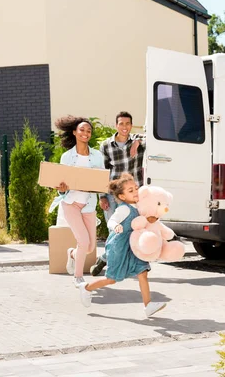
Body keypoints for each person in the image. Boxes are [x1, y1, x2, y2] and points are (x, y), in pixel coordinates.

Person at [79, 173, 166, 317]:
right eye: (130, 191)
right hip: (118, 246)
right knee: (112, 279)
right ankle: (86, 288)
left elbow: (142, 220)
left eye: (136, 188)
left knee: (142, 272)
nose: (135, 192)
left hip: (132, 246)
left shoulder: (139, 207)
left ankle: (148, 305)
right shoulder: (124, 209)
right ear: (122, 197)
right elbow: (111, 221)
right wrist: (116, 227)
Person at [48, 116, 105, 288]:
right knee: (83, 242)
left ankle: (72, 254)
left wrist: (100, 191)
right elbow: (61, 186)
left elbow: (101, 180)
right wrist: (62, 189)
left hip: (88, 204)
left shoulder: (97, 156)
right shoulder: (66, 157)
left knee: (89, 248)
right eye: (82, 130)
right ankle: (78, 277)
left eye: (88, 131)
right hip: (71, 203)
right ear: (74, 132)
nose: (85, 133)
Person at [91, 111, 145, 276]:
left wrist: (137, 142)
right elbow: (103, 171)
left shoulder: (138, 140)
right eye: (121, 124)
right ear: (116, 125)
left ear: (131, 125)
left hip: (132, 196)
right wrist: (101, 196)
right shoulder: (106, 145)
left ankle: (105, 260)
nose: (124, 127)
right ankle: (110, 261)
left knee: (132, 231)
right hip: (112, 195)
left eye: (127, 124)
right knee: (115, 231)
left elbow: (156, 137)